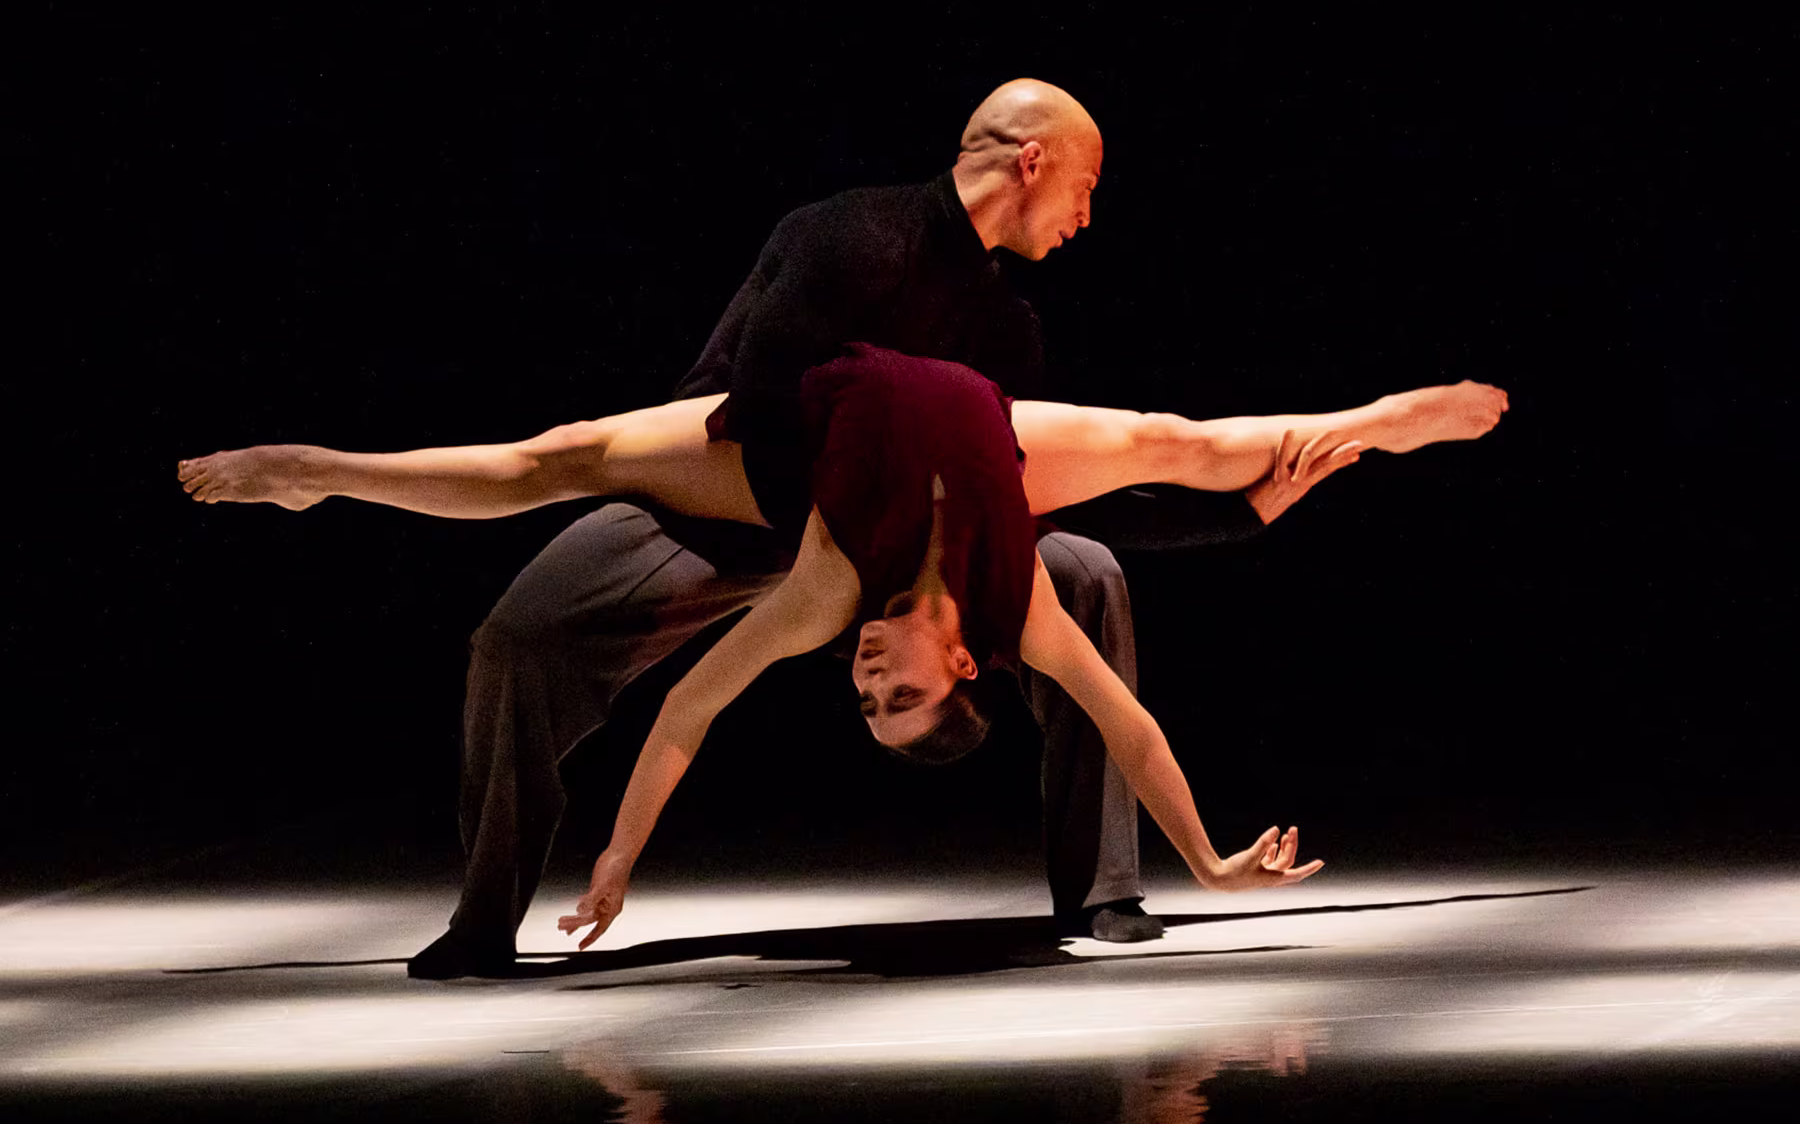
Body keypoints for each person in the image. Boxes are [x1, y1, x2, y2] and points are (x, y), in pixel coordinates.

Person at [177, 79, 1507, 976]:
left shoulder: (1001, 330)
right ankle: (483, 915)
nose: (1089, 214)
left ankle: (1103, 887)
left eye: (866, 695)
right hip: (745, 482)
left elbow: (1069, 478)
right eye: (1085, 185)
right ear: (1032, 160)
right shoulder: (847, 236)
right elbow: (761, 399)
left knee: (1093, 563)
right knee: (521, 624)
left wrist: (1256, 507)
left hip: (846, 526)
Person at [179, 341, 1506, 944]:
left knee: (554, 460)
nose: (867, 680)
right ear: (964, 664)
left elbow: (689, 709)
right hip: (993, 429)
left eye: (864, 703)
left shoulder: (822, 589)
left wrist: (621, 858)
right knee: (1190, 445)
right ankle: (1393, 412)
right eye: (899, 694)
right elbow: (1131, 725)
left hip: (790, 439)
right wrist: (1211, 856)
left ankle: (322, 468)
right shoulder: (1021, 605)